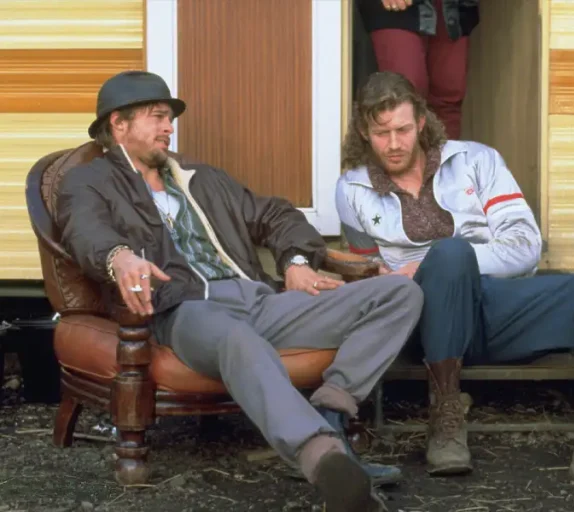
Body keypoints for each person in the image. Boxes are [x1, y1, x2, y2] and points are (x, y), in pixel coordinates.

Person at [57, 70, 423, 511]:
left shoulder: (201, 178)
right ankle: (324, 461)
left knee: (399, 294)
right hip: (186, 311)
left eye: (169, 118)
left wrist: (296, 262)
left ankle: (331, 408)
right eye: (157, 117)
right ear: (119, 125)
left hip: (259, 300)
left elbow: (276, 215)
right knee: (237, 338)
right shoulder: (90, 181)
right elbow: (85, 230)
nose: (169, 127)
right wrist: (121, 258)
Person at [335, 71, 574, 490]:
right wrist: (405, 276)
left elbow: (525, 246)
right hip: (422, 323)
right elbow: (368, 270)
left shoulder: (476, 160)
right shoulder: (351, 189)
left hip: (493, 304)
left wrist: (432, 263)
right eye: (381, 133)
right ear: (365, 131)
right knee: (450, 254)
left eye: (402, 129)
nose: (394, 143)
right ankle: (446, 422)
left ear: (420, 121)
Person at [356, 0, 479, 139]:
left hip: (451, 8)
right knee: (403, 98)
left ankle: (442, 160)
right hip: (396, 11)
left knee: (448, 98)